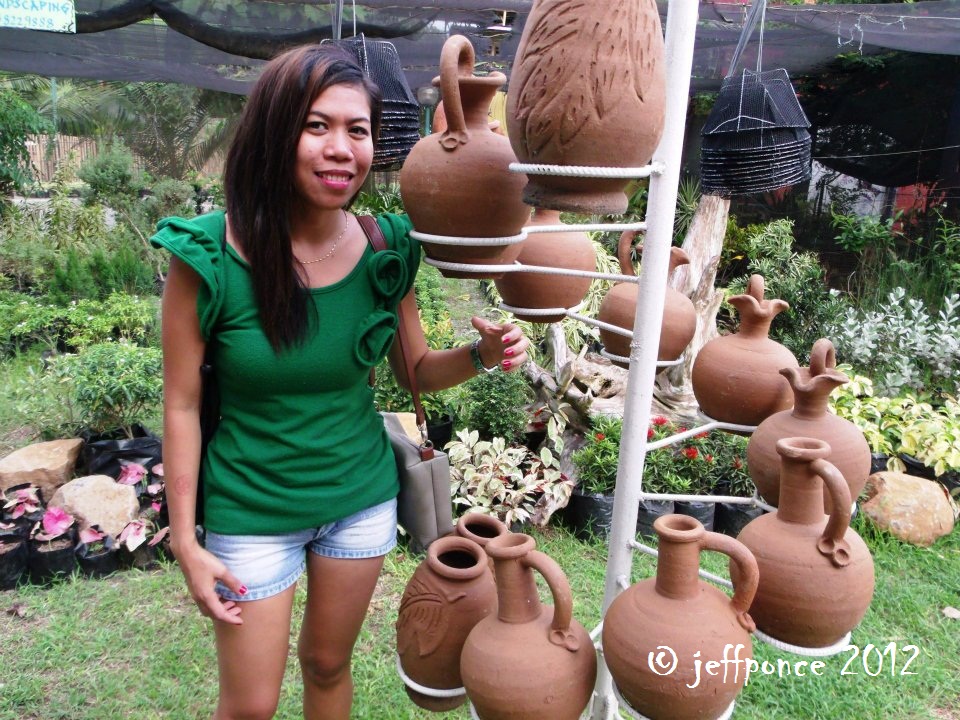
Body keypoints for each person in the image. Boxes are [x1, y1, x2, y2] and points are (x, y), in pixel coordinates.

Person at [152, 44, 529, 720]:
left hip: (358, 501)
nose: (340, 149)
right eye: (316, 125)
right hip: (251, 512)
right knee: (250, 706)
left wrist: (480, 352)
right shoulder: (208, 255)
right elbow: (180, 405)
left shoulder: (386, 248)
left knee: (328, 666)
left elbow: (414, 370)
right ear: (276, 131)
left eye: (357, 130)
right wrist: (186, 539)